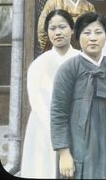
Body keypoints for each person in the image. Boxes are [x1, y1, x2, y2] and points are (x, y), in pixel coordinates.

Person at [50, 12, 106, 179]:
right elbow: (58, 113)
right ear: (77, 36)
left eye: (98, 32)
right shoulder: (69, 68)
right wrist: (64, 153)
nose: (93, 38)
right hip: (80, 142)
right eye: (87, 32)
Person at [21, 9, 79, 178]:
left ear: (72, 29)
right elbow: (37, 103)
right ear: (47, 32)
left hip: (76, 126)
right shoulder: (39, 64)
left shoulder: (81, 59)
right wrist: (57, 133)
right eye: (53, 28)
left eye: (62, 27)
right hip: (43, 128)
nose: (58, 32)